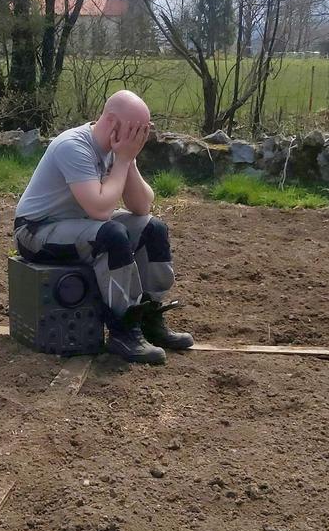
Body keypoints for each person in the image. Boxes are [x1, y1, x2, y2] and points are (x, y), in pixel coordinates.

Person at [13, 90, 194, 364]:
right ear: (111, 121)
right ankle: (123, 329)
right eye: (134, 131)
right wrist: (122, 160)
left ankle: (149, 318)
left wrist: (128, 161)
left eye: (142, 132)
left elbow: (142, 206)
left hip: (78, 223)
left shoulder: (117, 149)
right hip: (36, 230)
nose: (138, 138)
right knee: (111, 235)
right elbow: (100, 209)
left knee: (152, 229)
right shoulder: (73, 146)